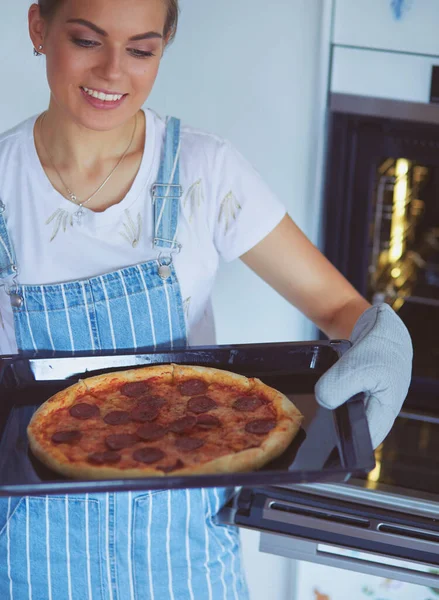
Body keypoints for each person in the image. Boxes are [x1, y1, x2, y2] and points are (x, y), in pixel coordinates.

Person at [0, 0, 413, 598]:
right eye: (88, 41)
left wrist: (383, 338)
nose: (114, 71)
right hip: (29, 551)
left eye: (141, 50)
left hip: (185, 546)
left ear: (165, 46)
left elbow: (337, 309)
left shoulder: (203, 170)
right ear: (39, 27)